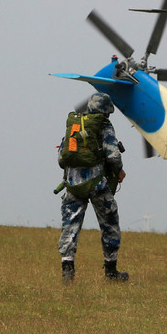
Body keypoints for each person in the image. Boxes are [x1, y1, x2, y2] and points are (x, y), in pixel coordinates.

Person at [56, 93, 128, 284]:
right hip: (97, 184)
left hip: (73, 184)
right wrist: (119, 172)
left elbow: (61, 158)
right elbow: (113, 155)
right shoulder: (104, 125)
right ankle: (111, 271)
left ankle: (67, 270)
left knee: (70, 226)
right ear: (106, 111)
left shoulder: (74, 125)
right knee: (109, 223)